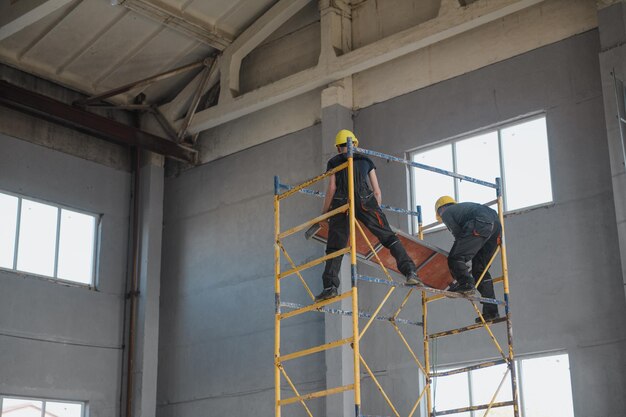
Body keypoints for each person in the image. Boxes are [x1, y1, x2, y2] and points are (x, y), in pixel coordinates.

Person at [315, 130, 422, 302]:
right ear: (355, 144)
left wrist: (325, 213)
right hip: (366, 201)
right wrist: (374, 213)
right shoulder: (366, 160)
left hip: (342, 204)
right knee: (389, 238)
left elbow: (332, 189)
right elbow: (377, 191)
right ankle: (410, 272)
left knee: (335, 247)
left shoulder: (334, 161)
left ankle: (330, 288)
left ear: (338, 148)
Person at [434, 196, 501, 321]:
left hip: (480, 223)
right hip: (495, 226)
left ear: (441, 209)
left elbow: (459, 235)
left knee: (455, 257)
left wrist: (458, 267)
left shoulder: (447, 213)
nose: (442, 218)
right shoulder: (464, 208)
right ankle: (491, 312)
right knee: (480, 270)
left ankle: (466, 285)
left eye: (439, 214)